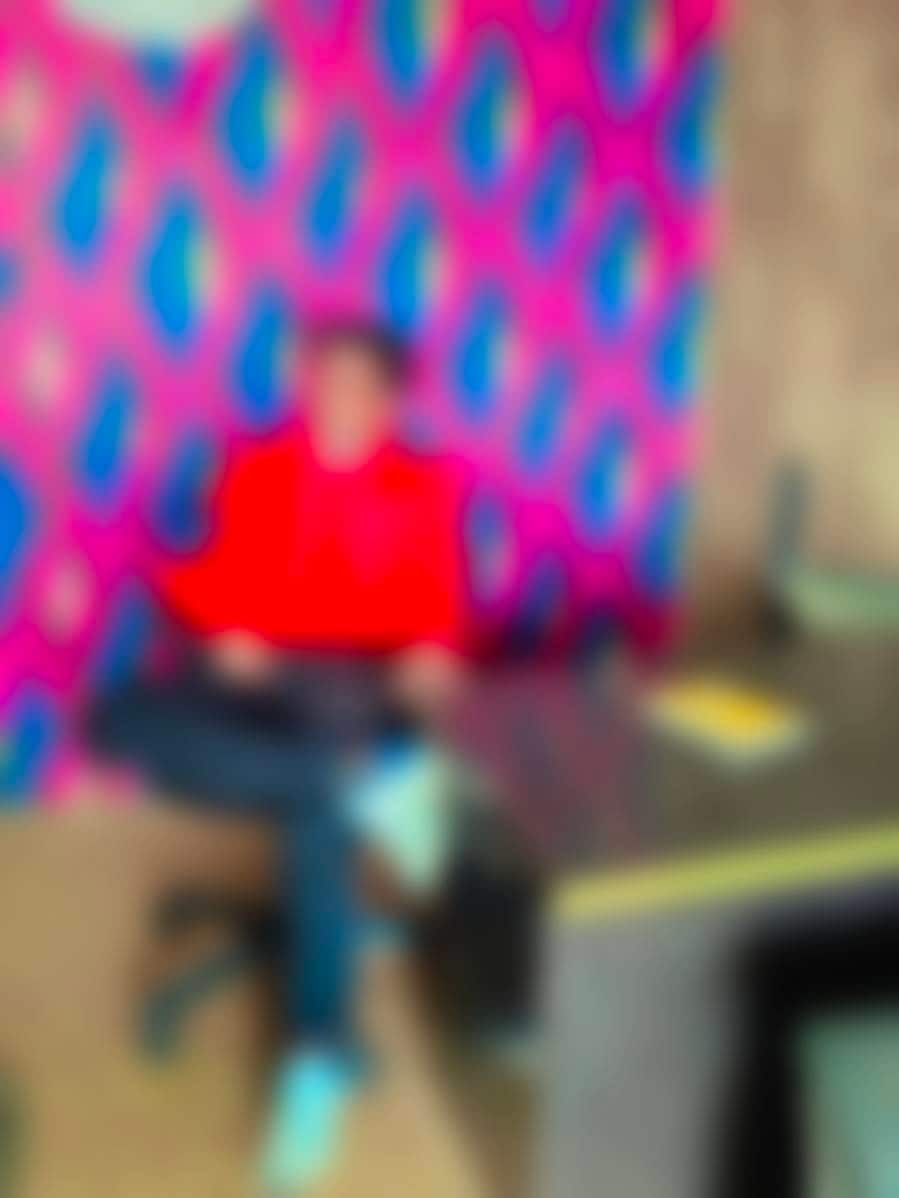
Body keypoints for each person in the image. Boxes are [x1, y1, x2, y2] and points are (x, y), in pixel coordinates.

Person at [91, 317, 470, 1192]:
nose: (335, 399)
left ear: (390, 402)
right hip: (255, 683)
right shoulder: (256, 467)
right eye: (323, 380)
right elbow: (218, 576)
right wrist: (224, 621)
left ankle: (317, 1051)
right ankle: (360, 785)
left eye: (358, 384)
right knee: (114, 719)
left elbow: (439, 623)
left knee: (320, 793)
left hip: (350, 689)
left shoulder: (422, 487)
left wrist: (431, 664)